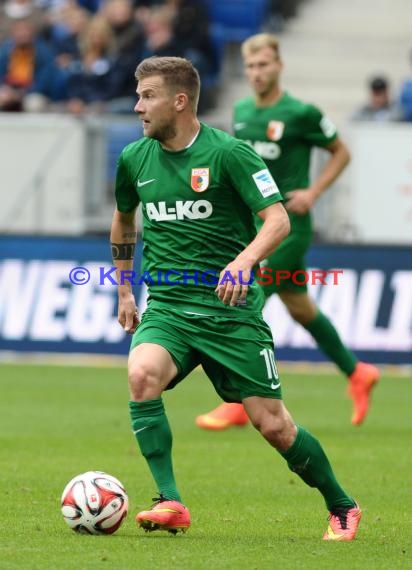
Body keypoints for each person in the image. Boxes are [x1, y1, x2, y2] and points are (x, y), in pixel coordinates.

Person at [111, 55, 362, 541]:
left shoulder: (230, 154)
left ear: (179, 101)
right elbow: (124, 219)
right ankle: (171, 501)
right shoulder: (134, 159)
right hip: (167, 307)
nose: (138, 107)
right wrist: (123, 288)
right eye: (138, 96)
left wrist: (244, 261)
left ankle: (342, 504)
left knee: (273, 426)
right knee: (142, 373)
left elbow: (279, 219)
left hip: (230, 314)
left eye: (148, 96)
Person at [196, 33, 379, 432]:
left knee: (243, 300)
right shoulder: (242, 111)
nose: (256, 73)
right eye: (250, 66)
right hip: (256, 226)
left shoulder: (300, 112)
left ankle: (241, 401)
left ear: (278, 65)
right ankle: (358, 372)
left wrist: (314, 191)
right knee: (300, 307)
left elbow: (341, 151)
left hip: (288, 227)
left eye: (263, 65)